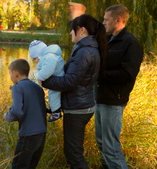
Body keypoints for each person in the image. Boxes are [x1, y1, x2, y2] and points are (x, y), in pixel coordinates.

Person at [41, 14, 108, 169]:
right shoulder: (88, 49)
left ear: (82, 30)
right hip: (81, 104)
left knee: (74, 155)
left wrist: (44, 81)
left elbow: (70, 81)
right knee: (74, 153)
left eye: (73, 30)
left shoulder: (85, 52)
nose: (71, 33)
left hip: (78, 109)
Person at [95, 4, 144, 169]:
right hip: (100, 97)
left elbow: (127, 74)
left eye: (106, 19)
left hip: (113, 101)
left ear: (118, 20)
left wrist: (99, 75)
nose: (103, 23)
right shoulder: (107, 40)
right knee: (101, 144)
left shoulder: (131, 43)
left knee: (111, 148)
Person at [4, 59, 47, 169]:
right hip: (42, 133)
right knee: (31, 165)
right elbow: (41, 109)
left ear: (15, 73)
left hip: (28, 134)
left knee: (18, 166)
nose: (10, 77)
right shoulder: (38, 88)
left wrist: (7, 116)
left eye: (10, 74)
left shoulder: (17, 87)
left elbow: (17, 110)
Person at [29, 40, 65, 122]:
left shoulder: (49, 57)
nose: (35, 61)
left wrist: (40, 77)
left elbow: (48, 69)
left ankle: (56, 112)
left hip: (58, 78)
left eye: (35, 58)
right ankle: (54, 109)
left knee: (54, 94)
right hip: (57, 77)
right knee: (52, 94)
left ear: (39, 56)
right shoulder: (49, 56)